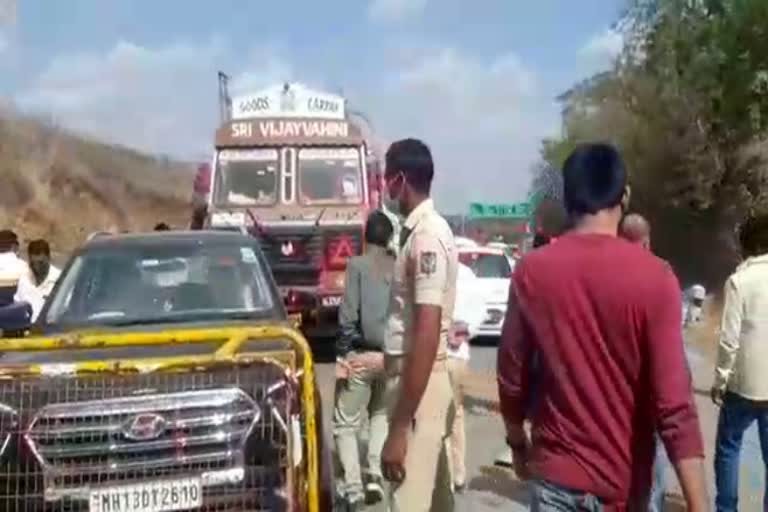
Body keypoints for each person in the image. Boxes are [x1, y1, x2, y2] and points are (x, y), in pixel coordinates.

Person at [497, 143, 708, 511]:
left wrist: (517, 443)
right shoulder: (655, 278)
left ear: (567, 197)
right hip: (624, 488)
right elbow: (674, 404)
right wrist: (699, 503)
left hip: (556, 480)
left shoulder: (532, 271)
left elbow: (511, 374)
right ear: (624, 194)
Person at [380, 138, 458, 511]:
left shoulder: (426, 236)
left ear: (399, 180)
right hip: (423, 384)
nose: (385, 188)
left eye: (386, 179)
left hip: (419, 386)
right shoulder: (420, 231)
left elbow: (427, 327)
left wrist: (399, 426)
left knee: (407, 500)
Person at [333, 210, 395, 510]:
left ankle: (354, 488)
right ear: (390, 238)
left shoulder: (357, 266)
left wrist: (342, 356)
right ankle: (373, 474)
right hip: (390, 358)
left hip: (360, 355)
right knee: (380, 415)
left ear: (366, 236)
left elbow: (348, 314)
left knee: (345, 423)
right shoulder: (398, 266)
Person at [711, 214, 768, 512]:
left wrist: (720, 381)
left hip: (743, 385)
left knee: (729, 449)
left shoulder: (739, 281)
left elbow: (729, 340)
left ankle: (726, 508)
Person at [618, 213, 674, 512]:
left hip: (614, 392)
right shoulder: (662, 274)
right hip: (650, 391)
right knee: (655, 456)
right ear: (648, 242)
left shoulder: (604, 272)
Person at [446, 261, 484, 493]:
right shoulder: (467, 274)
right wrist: (466, 329)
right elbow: (480, 310)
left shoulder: (435, 268)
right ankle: (458, 473)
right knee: (456, 414)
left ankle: (449, 476)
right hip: (460, 358)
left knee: (441, 417)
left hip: (440, 357)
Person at [26, 239, 61, 316]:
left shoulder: (59, 280)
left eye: (40, 263)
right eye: (33, 263)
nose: (36, 268)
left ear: (48, 258)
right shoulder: (24, 279)